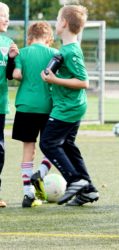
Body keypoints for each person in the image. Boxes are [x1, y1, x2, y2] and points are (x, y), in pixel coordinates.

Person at [39, 5, 99, 206]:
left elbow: (84, 82)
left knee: (47, 142)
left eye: (57, 19)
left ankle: (76, 180)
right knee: (67, 145)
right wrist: (50, 77)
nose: (56, 23)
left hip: (68, 108)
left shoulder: (71, 51)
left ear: (64, 23)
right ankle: (88, 190)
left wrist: (55, 80)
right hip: (71, 106)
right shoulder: (65, 50)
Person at [11, 21, 57, 207]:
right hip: (48, 107)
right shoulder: (54, 54)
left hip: (25, 107)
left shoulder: (22, 52)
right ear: (48, 38)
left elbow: (16, 75)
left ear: (30, 36)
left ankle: (28, 192)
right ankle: (41, 173)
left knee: (28, 148)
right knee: (53, 147)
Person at [0, 2, 19, 208]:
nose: (7, 19)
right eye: (3, 15)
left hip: (0, 104)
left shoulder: (8, 42)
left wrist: (12, 59)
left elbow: (8, 76)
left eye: (8, 15)